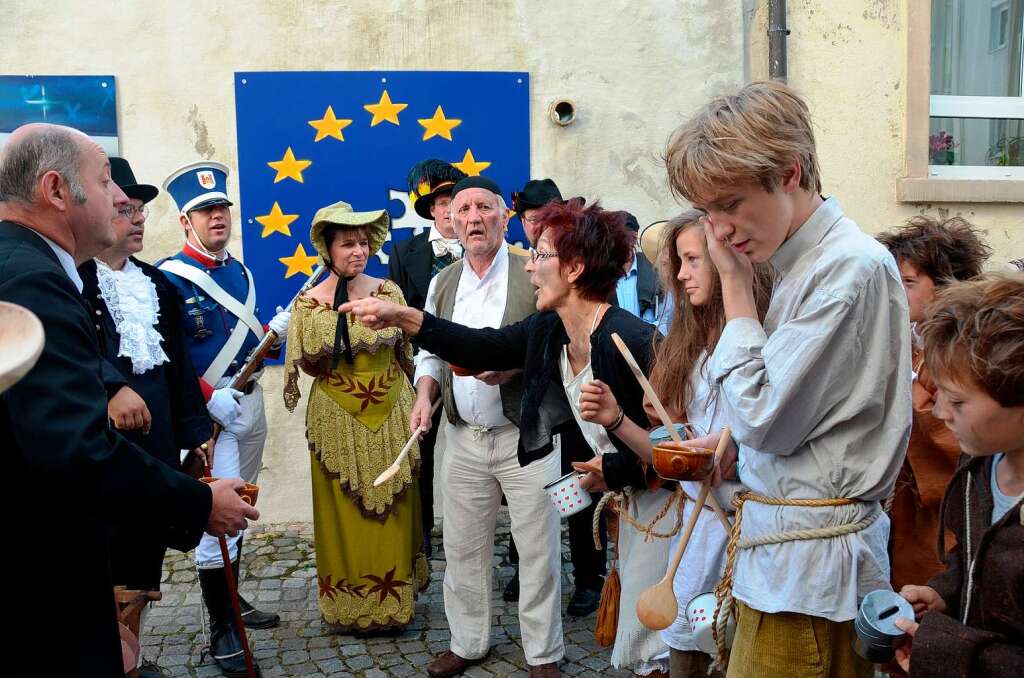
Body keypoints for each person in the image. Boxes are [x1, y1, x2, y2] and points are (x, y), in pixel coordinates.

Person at [663, 81, 912, 678]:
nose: (718, 231)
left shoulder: (845, 270)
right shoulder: (806, 266)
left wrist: (740, 293)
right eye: (708, 212)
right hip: (788, 565)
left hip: (809, 578)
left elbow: (761, 418)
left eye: (730, 203)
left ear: (790, 172)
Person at [0, 123, 255, 676]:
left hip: (146, 455)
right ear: (57, 191)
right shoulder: (31, 281)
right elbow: (71, 451)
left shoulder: (34, 266)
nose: (123, 201)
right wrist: (200, 503)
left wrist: (192, 441)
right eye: (107, 180)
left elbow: (178, 367)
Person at [343, 177, 588, 678]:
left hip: (526, 437)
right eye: (464, 210)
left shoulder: (534, 269)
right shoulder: (443, 281)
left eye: (484, 208)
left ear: (504, 216)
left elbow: (558, 342)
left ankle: (542, 654)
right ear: (450, 222)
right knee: (462, 546)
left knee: (537, 548)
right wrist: (425, 396)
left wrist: (514, 369)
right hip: (462, 436)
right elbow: (430, 349)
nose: (474, 218)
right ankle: (468, 641)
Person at [579, 211, 774, 678]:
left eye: (692, 260)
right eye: (679, 262)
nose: (681, 275)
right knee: (687, 654)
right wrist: (618, 419)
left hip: (748, 535)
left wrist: (729, 453)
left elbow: (765, 442)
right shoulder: (689, 347)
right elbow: (668, 460)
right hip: (697, 532)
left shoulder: (761, 342)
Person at [78, 157, 214, 675]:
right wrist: (111, 386)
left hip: (157, 440)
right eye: (127, 209)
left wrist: (196, 434)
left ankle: (129, 657)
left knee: (142, 559)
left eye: (141, 211)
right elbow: (69, 351)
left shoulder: (158, 284)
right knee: (104, 556)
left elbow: (180, 366)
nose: (138, 219)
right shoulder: (75, 280)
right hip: (104, 442)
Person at [158, 160, 289, 675]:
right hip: (209, 413)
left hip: (249, 403)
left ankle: (233, 598)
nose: (218, 217)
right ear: (185, 221)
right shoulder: (169, 278)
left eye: (222, 208)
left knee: (244, 503)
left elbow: (240, 346)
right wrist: (205, 395)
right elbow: (165, 355)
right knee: (218, 515)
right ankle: (222, 625)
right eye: (205, 211)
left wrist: (272, 333)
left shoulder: (241, 271)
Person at [283, 200, 428, 630]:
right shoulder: (308, 305)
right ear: (327, 249)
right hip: (336, 420)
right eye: (348, 243)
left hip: (391, 413)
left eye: (364, 242)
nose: (358, 251)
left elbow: (406, 356)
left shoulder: (388, 293)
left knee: (396, 506)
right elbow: (308, 366)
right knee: (341, 509)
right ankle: (347, 605)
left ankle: (393, 605)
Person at [893, 273, 1023, 676]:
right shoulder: (980, 467)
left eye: (958, 401)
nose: (939, 412)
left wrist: (949, 654)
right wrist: (945, 592)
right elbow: (972, 556)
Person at [876, 216, 991, 591]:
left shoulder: (970, 349)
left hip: (942, 518)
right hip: (900, 512)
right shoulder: (906, 342)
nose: (898, 291)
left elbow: (956, 443)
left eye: (908, 283)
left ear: (944, 286)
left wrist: (916, 395)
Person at [508, 178, 607, 614]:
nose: (534, 229)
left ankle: (589, 576)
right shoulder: (524, 266)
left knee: (584, 486)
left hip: (583, 399)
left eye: (540, 220)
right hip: (541, 404)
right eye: (529, 220)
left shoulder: (575, 264)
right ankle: (523, 567)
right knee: (536, 491)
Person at [389, 158, 467, 556]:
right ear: (432, 209)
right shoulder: (406, 253)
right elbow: (399, 315)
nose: (450, 208)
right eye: (442, 202)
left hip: (478, 370)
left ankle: (471, 534)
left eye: (456, 199)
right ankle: (421, 538)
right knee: (420, 454)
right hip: (424, 371)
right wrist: (415, 373)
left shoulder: (484, 248)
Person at [512, 178, 562, 246]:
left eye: (549, 218)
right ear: (523, 222)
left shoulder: (576, 255)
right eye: (534, 219)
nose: (543, 226)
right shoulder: (512, 256)